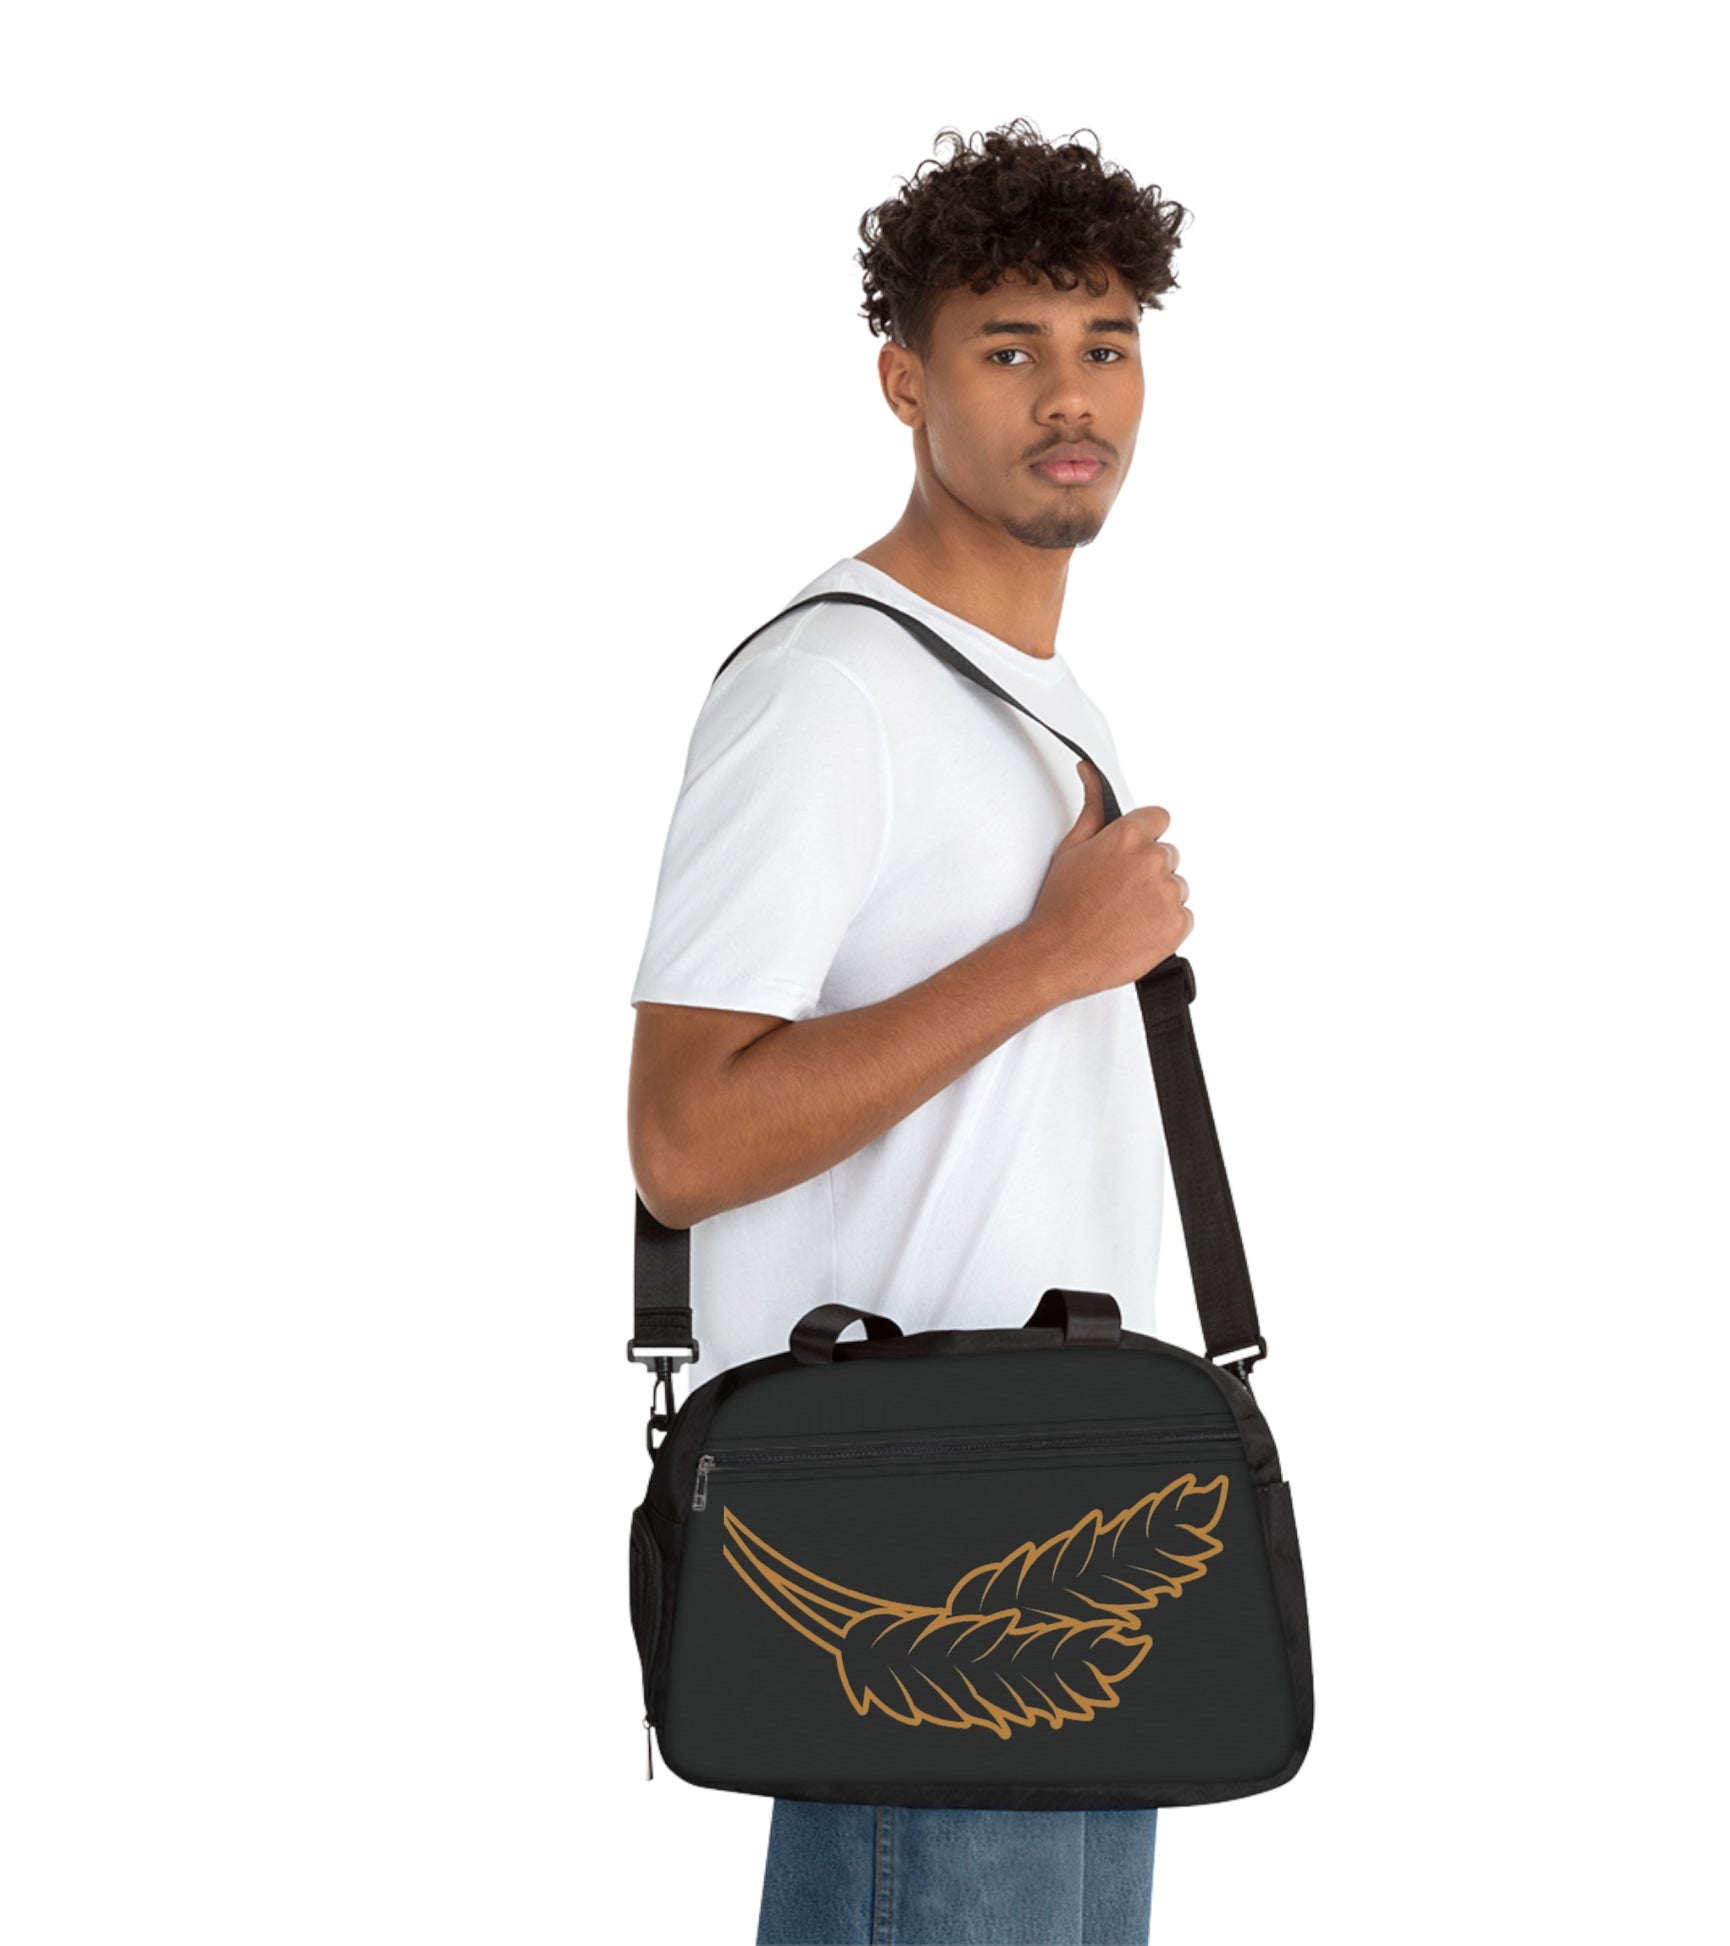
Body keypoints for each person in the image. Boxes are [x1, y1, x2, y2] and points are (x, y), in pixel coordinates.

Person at [625, 118, 1195, 1946]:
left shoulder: (1042, 697)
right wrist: (1048, 956)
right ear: (904, 380)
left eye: (1103, 342)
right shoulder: (831, 689)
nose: (1069, 394)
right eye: (1006, 347)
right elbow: (683, 1141)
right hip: (912, 1526)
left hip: (1067, 1513)